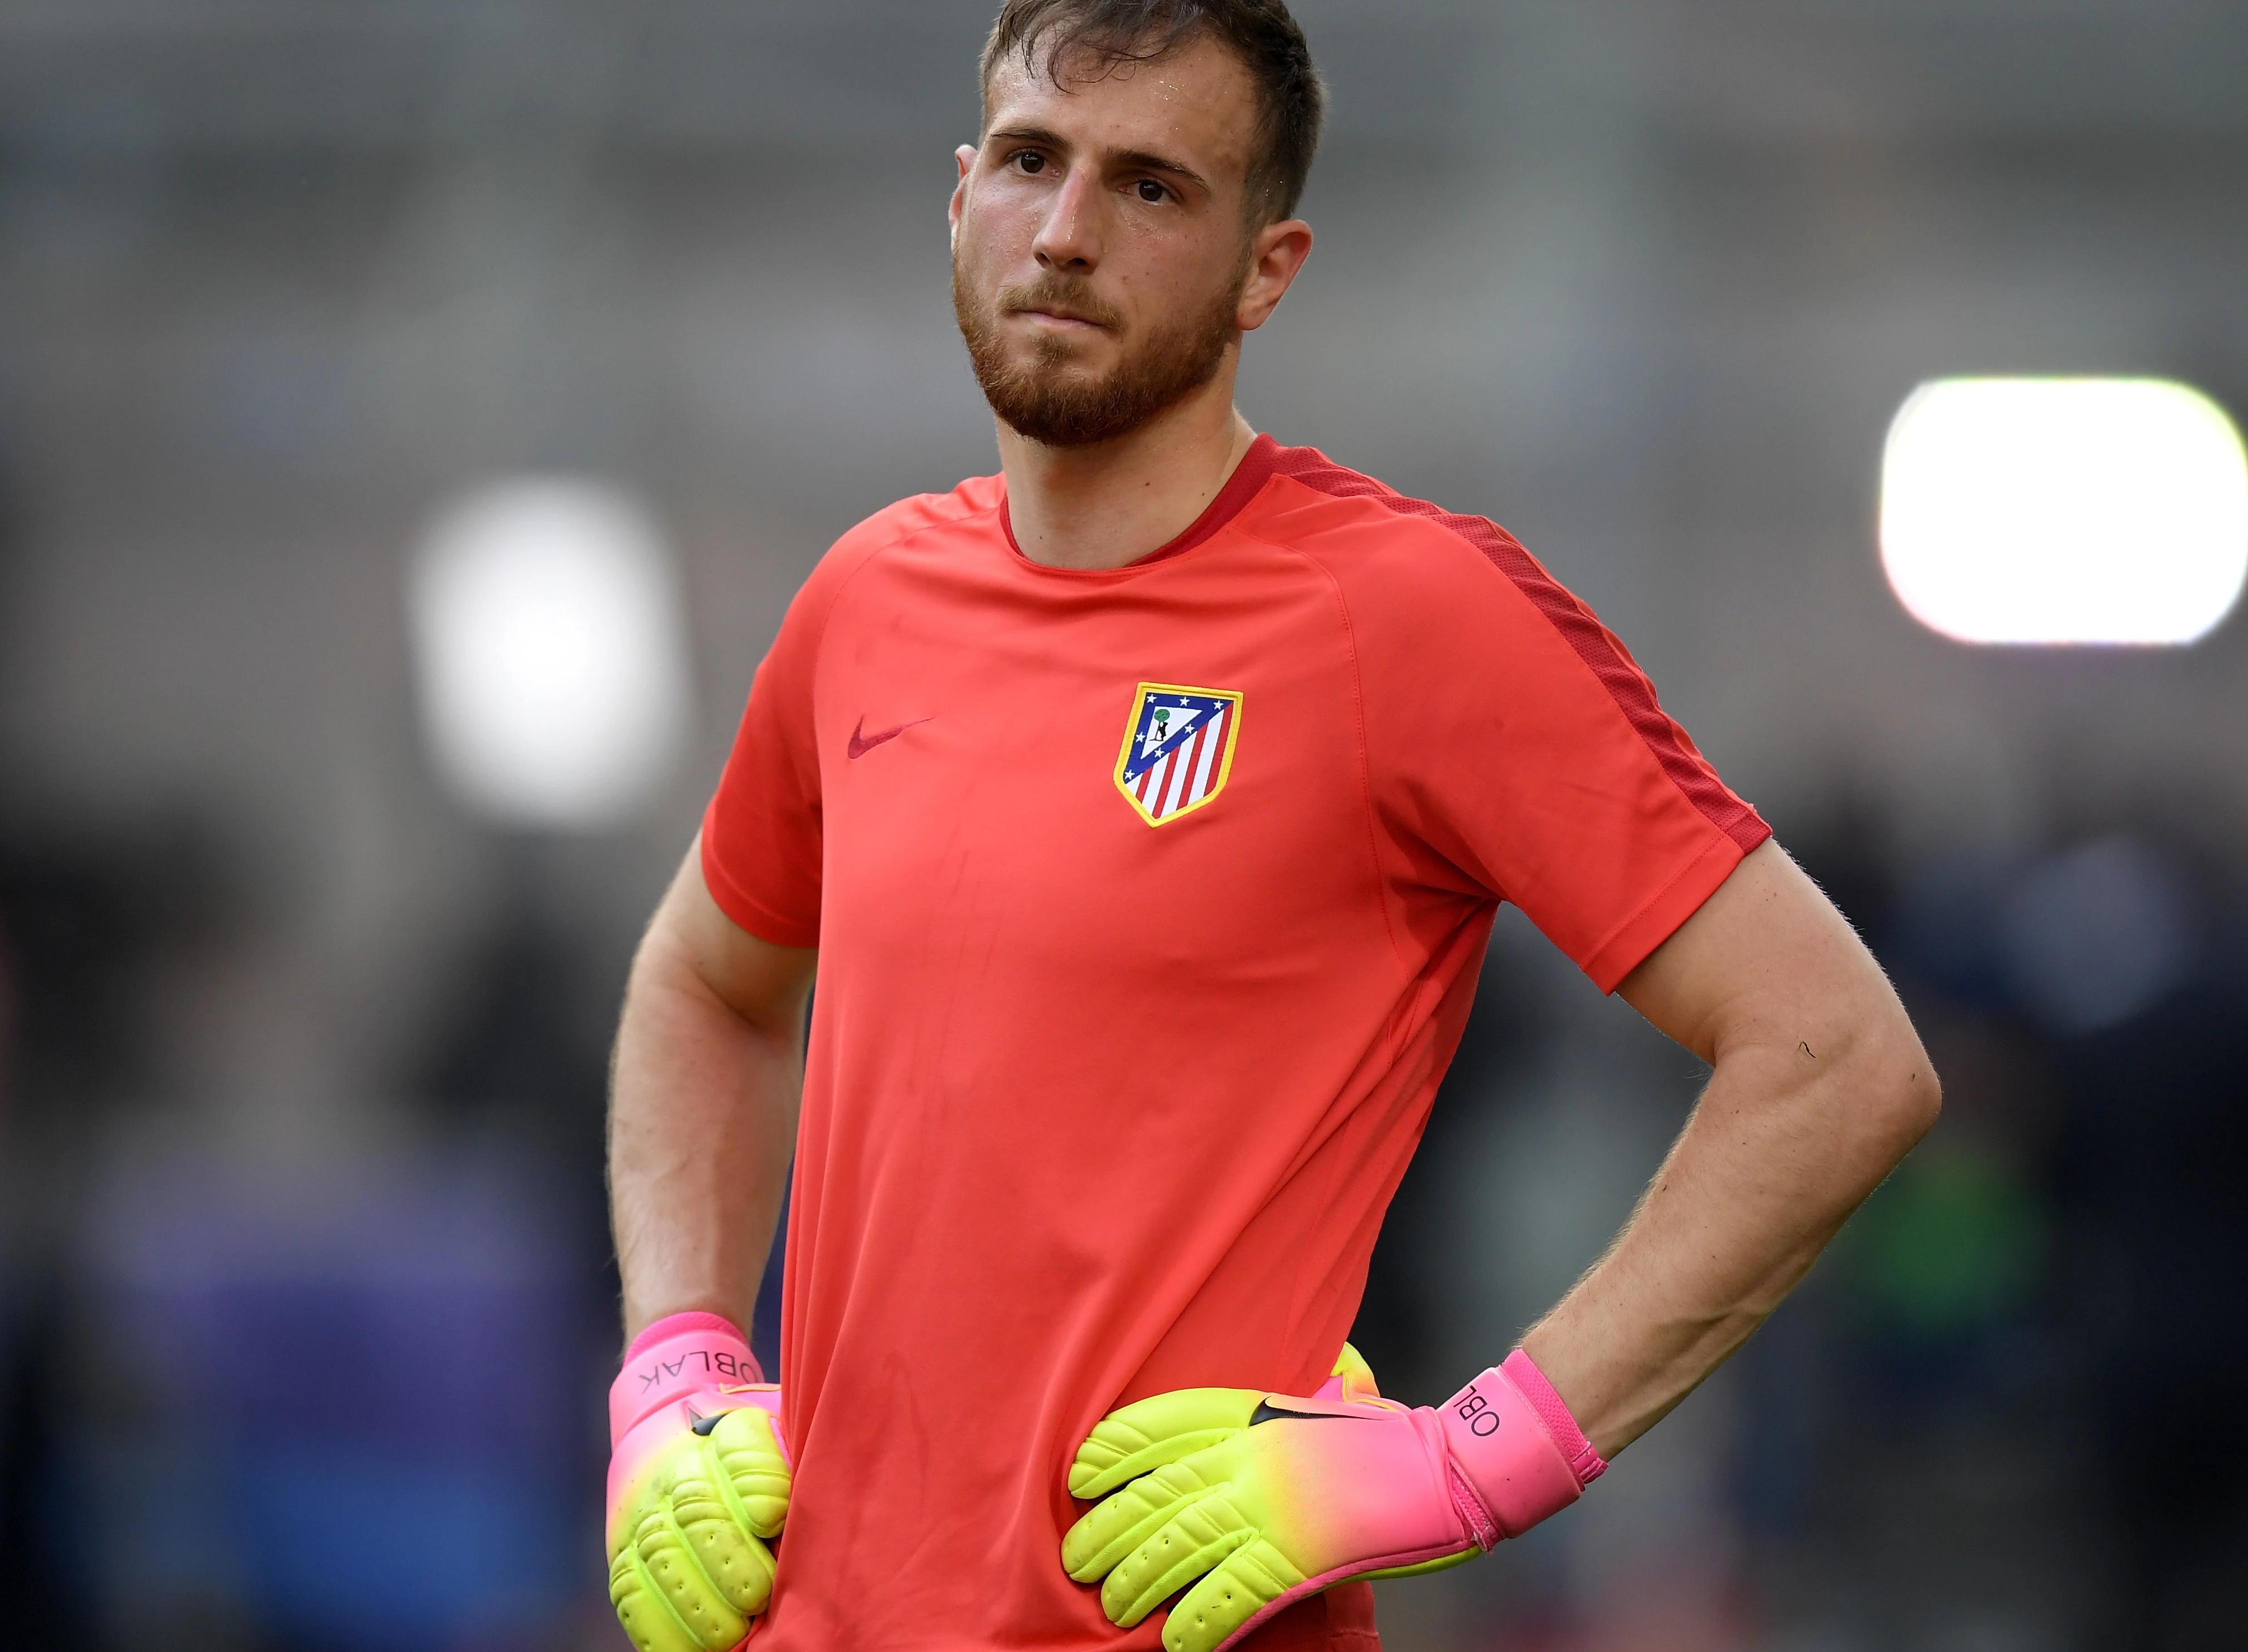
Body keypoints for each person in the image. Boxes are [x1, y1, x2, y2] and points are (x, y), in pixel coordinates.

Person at [602, 4, 1939, 1650]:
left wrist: (1477, 1457)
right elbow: (706, 984)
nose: (1068, 232)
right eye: (1031, 161)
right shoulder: (865, 596)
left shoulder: (1406, 613)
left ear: (1266, 268)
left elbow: (1834, 1054)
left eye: (1153, 189)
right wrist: (673, 1360)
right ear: (960, 197)